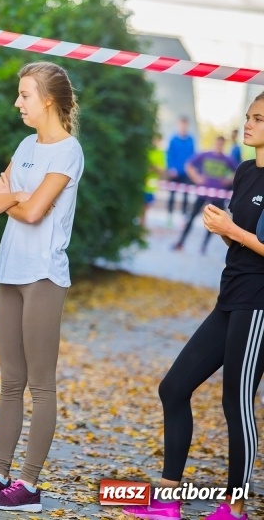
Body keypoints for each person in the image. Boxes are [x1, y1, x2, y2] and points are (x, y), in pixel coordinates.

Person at [124, 91, 264, 520]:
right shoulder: (244, 171)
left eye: (258, 118)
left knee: (236, 403)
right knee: (174, 387)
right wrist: (224, 229)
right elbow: (243, 238)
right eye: (248, 116)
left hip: (259, 304)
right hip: (230, 296)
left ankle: (234, 507)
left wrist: (233, 231)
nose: (248, 123)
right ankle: (168, 500)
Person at [0, 61, 83, 513]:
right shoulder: (26, 144)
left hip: (44, 276)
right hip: (9, 271)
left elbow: (32, 213)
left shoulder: (68, 151)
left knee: (40, 385)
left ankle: (28, 486)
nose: (17, 102)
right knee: (11, 382)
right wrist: (22, 197)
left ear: (47, 100)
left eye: (24, 94)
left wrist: (20, 199)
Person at [172, 135, 236, 254]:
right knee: (191, 217)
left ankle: (204, 246)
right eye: (217, 143)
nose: (219, 146)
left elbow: (237, 172)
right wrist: (196, 178)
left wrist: (227, 180)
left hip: (218, 195)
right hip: (202, 192)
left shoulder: (227, 159)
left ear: (223, 145)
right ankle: (181, 242)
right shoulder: (205, 155)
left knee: (213, 222)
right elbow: (188, 165)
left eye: (221, 144)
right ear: (214, 143)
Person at [166, 116, 196, 223]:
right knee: (172, 194)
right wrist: (171, 168)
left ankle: (183, 216)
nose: (183, 127)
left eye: (185, 125)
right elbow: (169, 155)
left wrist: (191, 170)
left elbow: (193, 156)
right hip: (175, 172)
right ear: (178, 125)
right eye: (181, 125)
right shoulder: (173, 139)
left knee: (185, 195)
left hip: (186, 173)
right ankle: (169, 216)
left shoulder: (190, 140)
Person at [142, 133, 166, 229]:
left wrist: (154, 167)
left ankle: (142, 224)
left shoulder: (160, 153)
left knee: (146, 206)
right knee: (142, 207)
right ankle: (142, 225)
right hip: (143, 183)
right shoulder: (147, 151)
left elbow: (162, 170)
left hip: (151, 185)